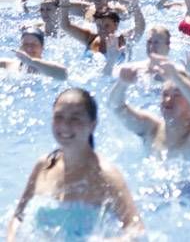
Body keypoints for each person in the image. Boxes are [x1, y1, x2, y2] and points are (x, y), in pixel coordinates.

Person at [7, 89, 143, 241]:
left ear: (93, 125)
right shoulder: (44, 167)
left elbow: (137, 230)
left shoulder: (106, 176)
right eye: (59, 117)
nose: (65, 125)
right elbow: (18, 217)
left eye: (75, 118)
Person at [109, 55, 190, 161]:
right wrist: (122, 83)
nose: (168, 100)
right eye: (165, 94)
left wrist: (177, 78)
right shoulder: (151, 128)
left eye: (177, 95)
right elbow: (116, 107)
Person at [59, 0, 144, 55]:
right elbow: (58, 11)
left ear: (116, 25)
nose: (102, 29)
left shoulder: (121, 39)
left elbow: (137, 23)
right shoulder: (86, 10)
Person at [0, 27, 67, 80]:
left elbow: (64, 74)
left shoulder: (49, 68)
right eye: (25, 44)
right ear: (20, 46)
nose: (29, 48)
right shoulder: (8, 65)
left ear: (42, 47)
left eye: (34, 44)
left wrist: (31, 61)